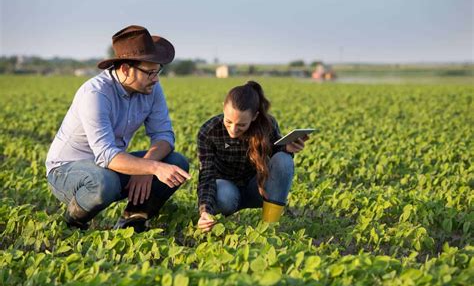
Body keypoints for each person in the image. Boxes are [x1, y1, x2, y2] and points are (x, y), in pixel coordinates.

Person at [45, 25, 191, 232]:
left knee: (177, 162)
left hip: (108, 165)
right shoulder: (95, 94)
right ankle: (72, 223)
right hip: (66, 171)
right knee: (106, 181)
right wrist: (152, 168)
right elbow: (106, 155)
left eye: (158, 71)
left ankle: (132, 221)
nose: (156, 78)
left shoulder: (151, 88)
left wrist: (147, 166)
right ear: (125, 69)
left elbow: (164, 136)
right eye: (150, 72)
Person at [196, 81, 308, 232]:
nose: (234, 129)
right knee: (223, 194)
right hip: (226, 190)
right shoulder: (209, 131)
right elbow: (206, 175)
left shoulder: (267, 124)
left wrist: (288, 148)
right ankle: (219, 219)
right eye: (228, 122)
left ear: (254, 116)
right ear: (223, 107)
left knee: (283, 159)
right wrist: (204, 211)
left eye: (241, 125)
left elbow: (277, 157)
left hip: (256, 188)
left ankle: (269, 227)